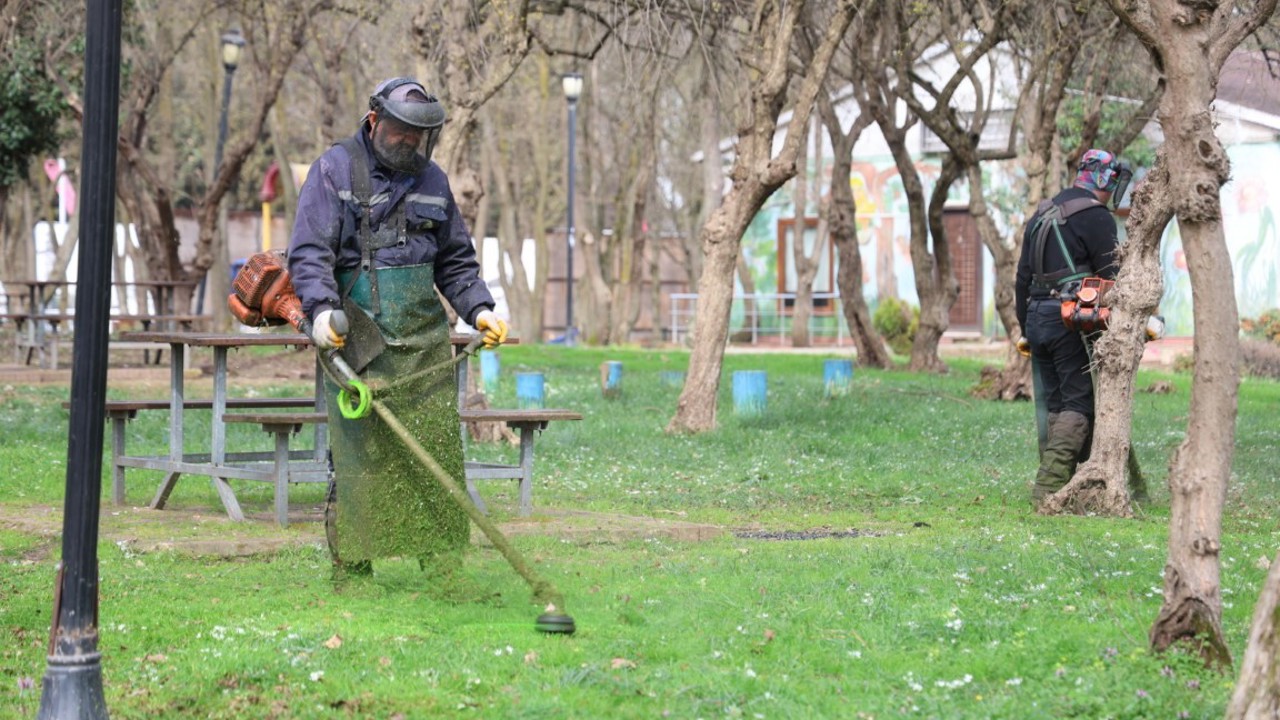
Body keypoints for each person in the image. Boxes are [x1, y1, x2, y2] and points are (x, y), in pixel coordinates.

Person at [287, 77, 508, 575]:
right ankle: (354, 567)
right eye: (402, 132)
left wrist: (480, 309)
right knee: (360, 458)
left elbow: (456, 262)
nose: (411, 143)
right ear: (374, 121)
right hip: (356, 337)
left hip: (424, 342)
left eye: (419, 136)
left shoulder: (434, 182)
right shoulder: (333, 169)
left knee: (432, 452)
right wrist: (321, 311)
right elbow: (310, 253)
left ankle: (442, 569)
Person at [1014, 149, 1132, 505]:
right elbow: (1111, 278)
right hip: (1068, 320)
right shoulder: (1095, 217)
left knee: (1055, 404)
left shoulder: (1042, 212)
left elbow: (1021, 279)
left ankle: (1064, 483)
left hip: (1036, 315)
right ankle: (1047, 491)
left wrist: (1025, 328)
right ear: (1105, 179)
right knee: (1079, 404)